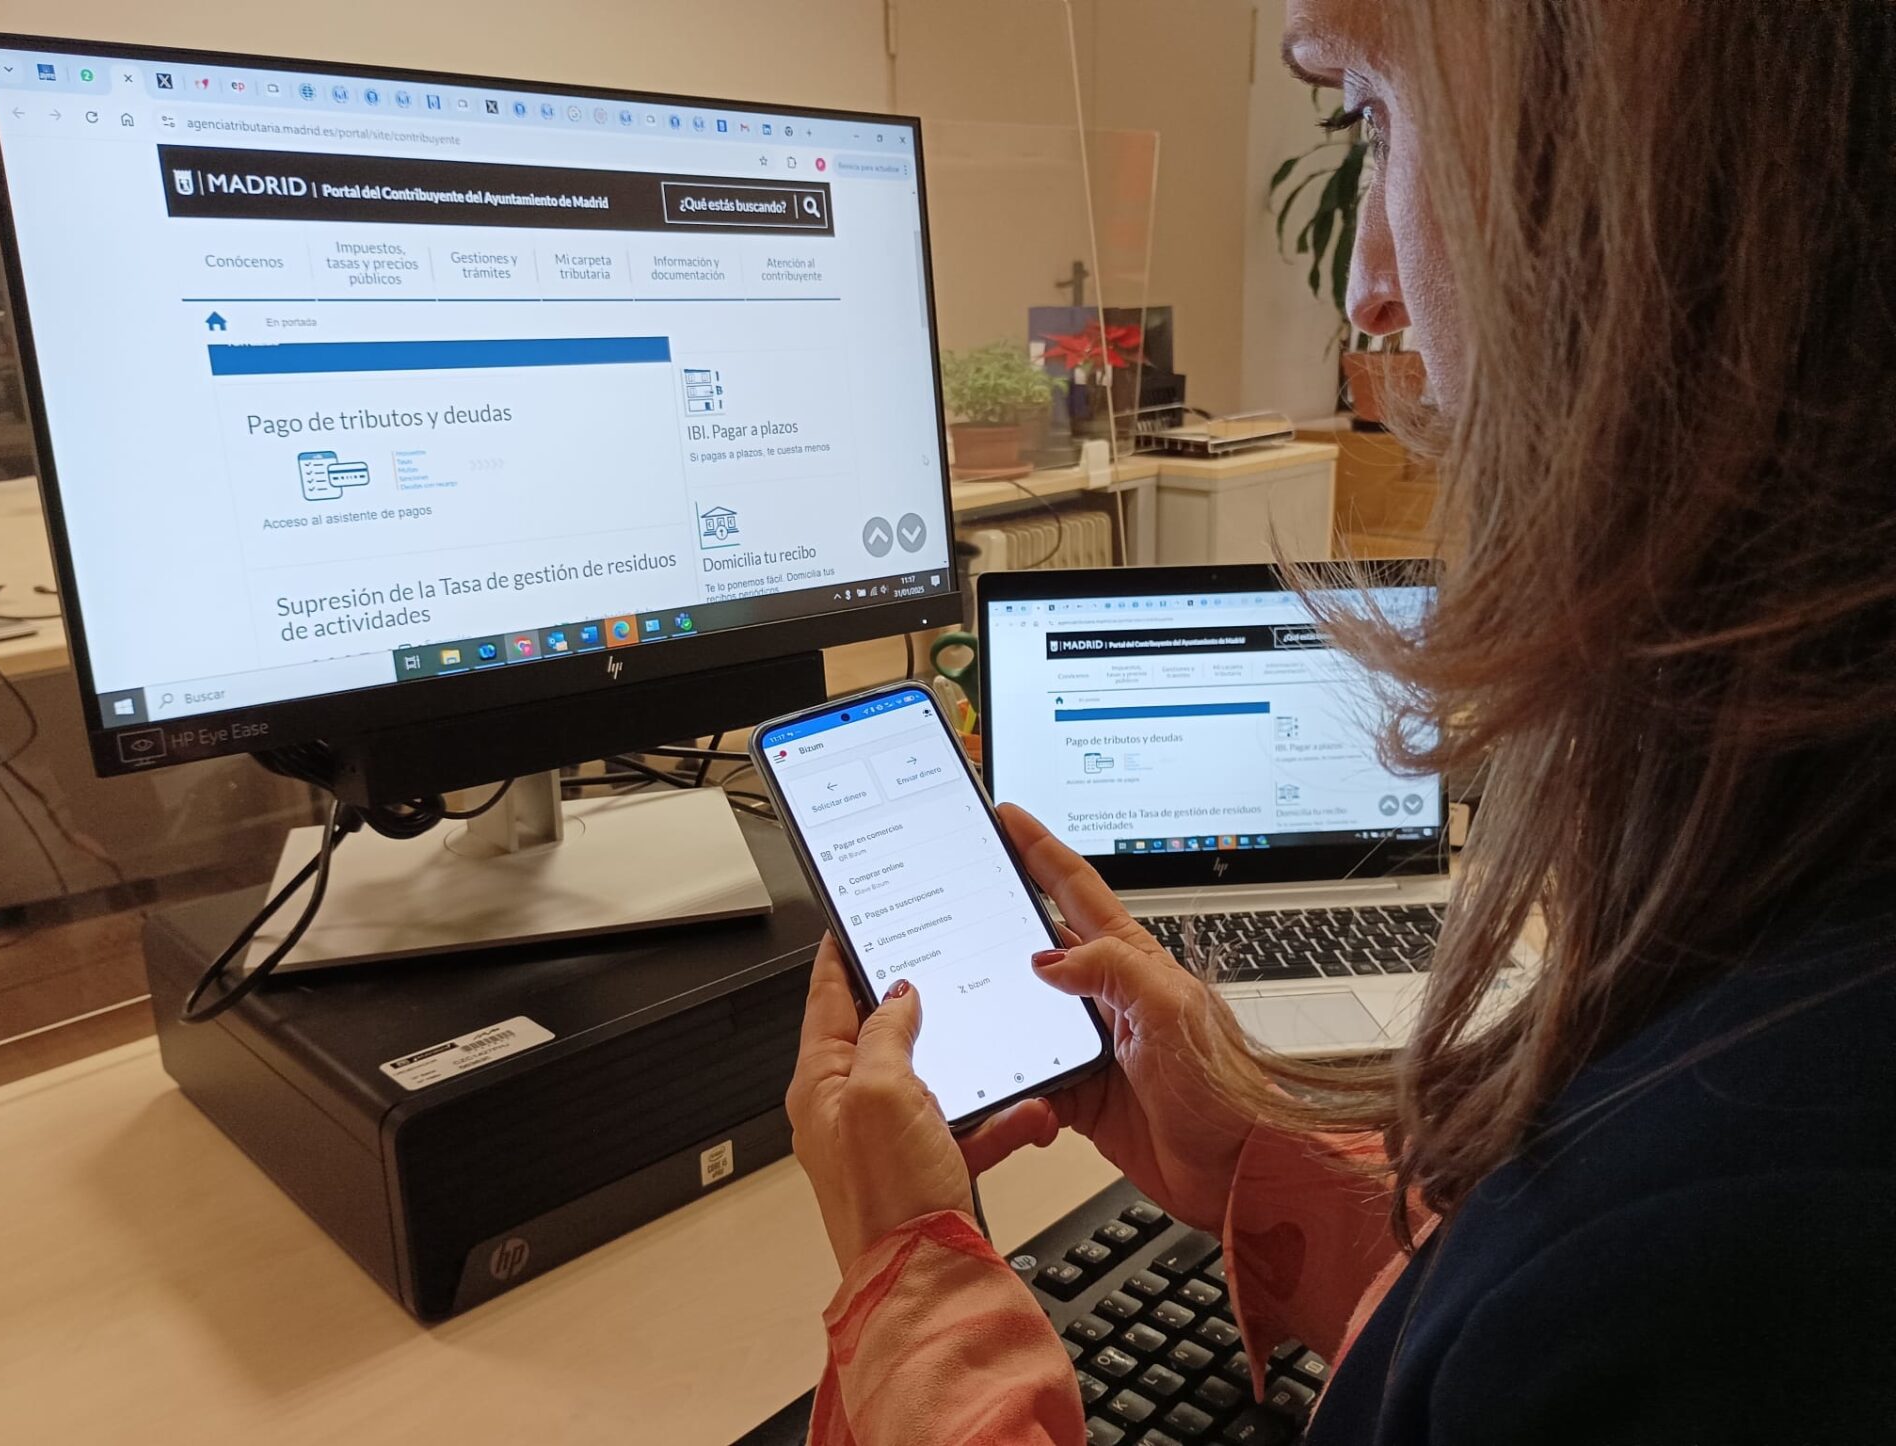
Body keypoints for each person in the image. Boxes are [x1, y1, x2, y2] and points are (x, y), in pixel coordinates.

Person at [786, 2, 1896, 1441]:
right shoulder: (1783, 1020)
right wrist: (1258, 1166)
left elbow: (1566, 1327)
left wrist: (908, 1276)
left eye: (1375, 106)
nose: (1369, 287)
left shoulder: (1723, 1232)